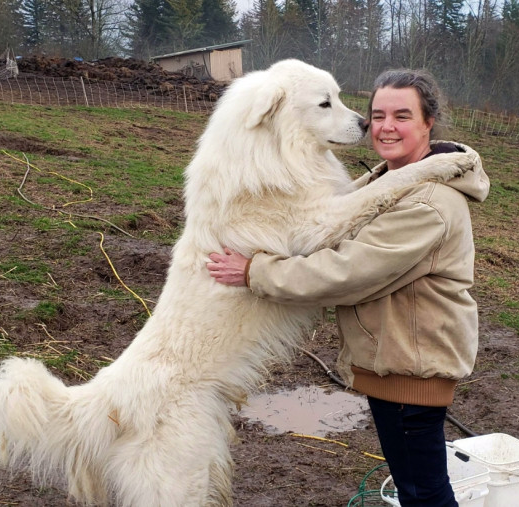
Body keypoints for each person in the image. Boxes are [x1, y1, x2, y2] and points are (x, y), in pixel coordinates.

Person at [207, 68, 489, 507]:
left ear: (428, 123)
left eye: (402, 116)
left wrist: (253, 272)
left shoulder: (428, 203)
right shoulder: (391, 178)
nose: (384, 127)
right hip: (396, 363)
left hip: (411, 370)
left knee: (424, 492)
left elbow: (346, 273)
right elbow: (342, 217)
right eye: (378, 115)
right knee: (418, 485)